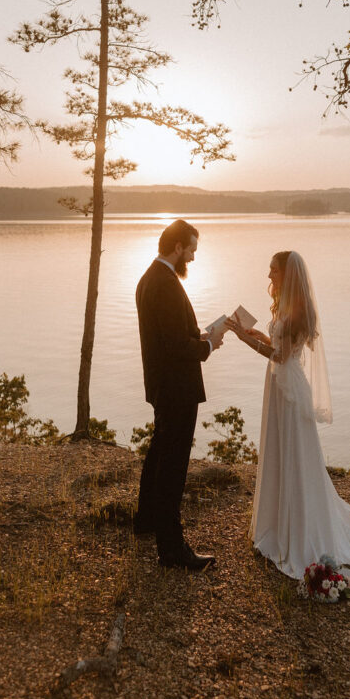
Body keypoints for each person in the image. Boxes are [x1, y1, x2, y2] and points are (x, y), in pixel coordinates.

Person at [225, 250, 350, 589]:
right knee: (279, 453)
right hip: (278, 385)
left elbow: (281, 354)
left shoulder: (300, 311)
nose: (268, 276)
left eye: (273, 271)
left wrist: (242, 338)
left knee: (295, 458)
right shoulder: (286, 307)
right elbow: (274, 342)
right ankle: (276, 523)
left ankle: (298, 529)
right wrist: (250, 331)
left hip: (288, 392)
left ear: (287, 275)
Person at [134, 219, 222, 571]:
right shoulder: (165, 284)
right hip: (175, 387)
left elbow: (167, 333)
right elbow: (174, 345)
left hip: (161, 384)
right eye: (192, 250)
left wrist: (198, 335)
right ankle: (171, 548)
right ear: (177, 248)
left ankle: (146, 520)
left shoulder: (149, 278)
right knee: (173, 465)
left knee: (158, 453)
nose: (194, 258)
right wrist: (208, 344)